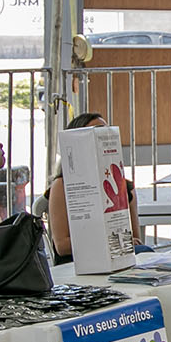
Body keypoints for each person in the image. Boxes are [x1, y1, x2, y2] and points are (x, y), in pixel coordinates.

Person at [45, 112, 142, 265]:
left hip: (118, 257)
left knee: (144, 251)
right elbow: (62, 246)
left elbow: (135, 239)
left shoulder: (125, 187)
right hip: (77, 262)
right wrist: (109, 241)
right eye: (96, 133)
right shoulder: (61, 185)